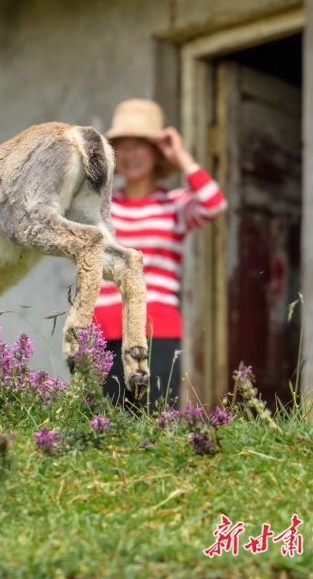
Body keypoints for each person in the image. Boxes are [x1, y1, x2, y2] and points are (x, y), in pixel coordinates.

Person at [94, 98, 227, 413]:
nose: (130, 154)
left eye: (140, 144)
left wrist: (181, 157)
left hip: (157, 331)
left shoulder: (175, 204)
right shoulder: (99, 207)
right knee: (98, 430)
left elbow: (215, 204)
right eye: (121, 146)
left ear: (157, 151)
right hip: (101, 332)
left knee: (152, 425)